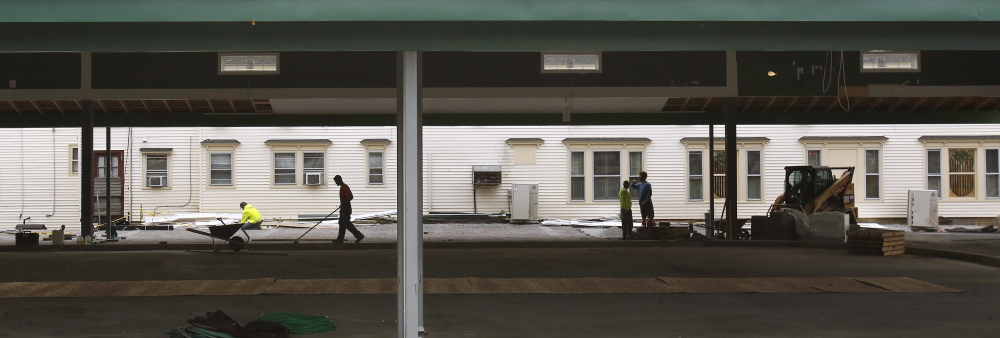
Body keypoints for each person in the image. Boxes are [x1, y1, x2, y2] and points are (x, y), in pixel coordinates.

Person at [333, 175, 365, 243]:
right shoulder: (344, 187)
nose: (336, 183)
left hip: (346, 209)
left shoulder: (344, 187)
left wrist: (343, 204)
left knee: (347, 224)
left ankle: (359, 236)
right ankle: (340, 239)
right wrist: (342, 205)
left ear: (339, 180)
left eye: (336, 181)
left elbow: (347, 198)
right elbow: (350, 197)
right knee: (342, 223)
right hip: (345, 208)